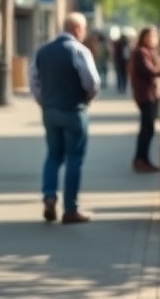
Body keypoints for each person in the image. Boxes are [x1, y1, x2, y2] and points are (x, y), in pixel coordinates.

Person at [29, 12, 101, 224]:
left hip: (50, 111)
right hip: (73, 110)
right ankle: (70, 209)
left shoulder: (42, 51)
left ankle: (49, 195)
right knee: (74, 158)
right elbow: (92, 82)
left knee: (53, 155)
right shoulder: (79, 50)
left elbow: (33, 81)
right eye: (84, 29)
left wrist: (44, 101)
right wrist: (87, 99)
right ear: (77, 29)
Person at [129, 27, 160, 173]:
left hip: (152, 95)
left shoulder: (151, 52)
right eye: (150, 36)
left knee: (149, 128)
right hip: (145, 95)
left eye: (154, 36)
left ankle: (143, 159)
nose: (153, 39)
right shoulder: (141, 53)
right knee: (147, 129)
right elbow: (150, 71)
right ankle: (140, 159)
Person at [112, 29, 131, 94]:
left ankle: (121, 87)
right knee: (124, 76)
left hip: (120, 62)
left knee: (120, 75)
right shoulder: (125, 45)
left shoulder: (119, 44)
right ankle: (123, 88)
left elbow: (115, 53)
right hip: (124, 62)